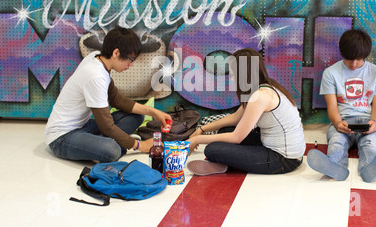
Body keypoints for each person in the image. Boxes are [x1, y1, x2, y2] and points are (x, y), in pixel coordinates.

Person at [45, 27, 172, 163]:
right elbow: (106, 126)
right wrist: (140, 146)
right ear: (116, 53)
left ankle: (97, 145)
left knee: (136, 116)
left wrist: (153, 112)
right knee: (112, 150)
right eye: (130, 59)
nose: (131, 65)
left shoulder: (97, 58)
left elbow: (117, 100)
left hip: (82, 127)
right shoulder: (95, 76)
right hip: (62, 138)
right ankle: (102, 147)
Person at [187, 48, 305, 175]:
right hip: (274, 146)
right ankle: (223, 163)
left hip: (284, 159)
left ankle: (223, 163)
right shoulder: (263, 86)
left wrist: (197, 139)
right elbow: (236, 117)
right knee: (224, 131)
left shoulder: (260, 96)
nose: (232, 79)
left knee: (212, 149)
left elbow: (236, 138)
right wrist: (202, 129)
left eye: (233, 75)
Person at [307, 29, 376, 182]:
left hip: (367, 122)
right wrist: (337, 123)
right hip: (342, 121)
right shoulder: (331, 73)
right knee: (336, 144)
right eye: (350, 59)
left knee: (370, 145)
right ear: (342, 53)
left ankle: (370, 168)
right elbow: (332, 107)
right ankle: (334, 165)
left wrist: (375, 123)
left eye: (359, 59)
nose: (354, 64)